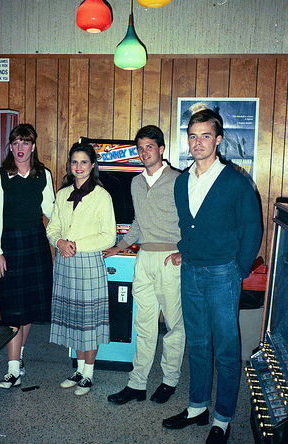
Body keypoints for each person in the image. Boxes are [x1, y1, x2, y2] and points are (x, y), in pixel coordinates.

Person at [162, 110, 262, 444]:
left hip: (223, 274)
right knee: (199, 344)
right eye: (193, 136)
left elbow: (252, 229)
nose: (198, 142)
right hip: (191, 271)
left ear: (218, 140)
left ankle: (222, 418)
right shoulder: (181, 181)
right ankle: (196, 408)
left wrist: (239, 269)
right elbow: (188, 226)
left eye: (205, 136)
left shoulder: (235, 182)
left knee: (226, 349)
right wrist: (183, 251)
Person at [106, 125, 185, 405]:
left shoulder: (179, 181)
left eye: (149, 147)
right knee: (144, 324)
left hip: (171, 259)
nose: (144, 153)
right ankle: (137, 383)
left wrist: (184, 252)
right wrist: (118, 247)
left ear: (161, 149)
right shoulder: (136, 183)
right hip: (145, 259)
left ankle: (169, 380)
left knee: (175, 325)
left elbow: (193, 220)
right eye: (140, 148)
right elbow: (138, 224)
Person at [0, 123, 55, 389]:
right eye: (15, 143)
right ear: (10, 147)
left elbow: (51, 210)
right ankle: (12, 371)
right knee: (14, 307)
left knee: (27, 307)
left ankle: (19, 360)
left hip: (36, 242)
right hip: (10, 246)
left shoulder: (43, 175)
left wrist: (66, 236)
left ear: (33, 146)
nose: (20, 148)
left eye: (25, 143)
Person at [46, 142, 116, 396]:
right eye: (74, 162)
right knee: (73, 319)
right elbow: (52, 228)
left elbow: (109, 236)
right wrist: (60, 242)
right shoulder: (63, 194)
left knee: (89, 320)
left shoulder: (102, 196)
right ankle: (77, 368)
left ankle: (88, 373)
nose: (79, 167)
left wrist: (76, 245)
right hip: (65, 264)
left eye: (84, 162)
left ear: (93, 165)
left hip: (88, 264)